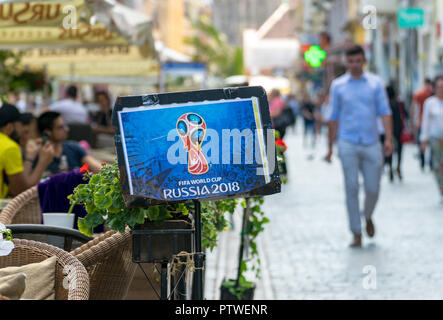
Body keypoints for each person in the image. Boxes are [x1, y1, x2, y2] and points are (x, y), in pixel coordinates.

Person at [325, 45, 393, 248]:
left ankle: (368, 215)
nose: (354, 65)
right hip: (347, 142)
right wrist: (330, 147)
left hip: (371, 141)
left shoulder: (375, 84)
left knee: (373, 188)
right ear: (346, 62)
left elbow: (385, 111)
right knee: (351, 187)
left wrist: (388, 139)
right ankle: (356, 231)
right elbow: (333, 117)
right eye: (351, 61)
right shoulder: (338, 86)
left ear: (364, 61)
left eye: (358, 61)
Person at [0, 104, 55, 198]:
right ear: (9, 127)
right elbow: (21, 192)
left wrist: (30, 156)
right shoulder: (10, 147)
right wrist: (43, 162)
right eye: (19, 125)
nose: (21, 130)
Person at [36, 111, 102, 175]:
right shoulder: (38, 155)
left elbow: (97, 168)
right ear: (47, 132)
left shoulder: (73, 147)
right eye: (60, 127)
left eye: (65, 125)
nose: (67, 129)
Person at [420, 75, 443, 201]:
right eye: (439, 87)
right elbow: (426, 122)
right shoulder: (429, 103)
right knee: (438, 164)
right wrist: (423, 140)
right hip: (435, 138)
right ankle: (441, 187)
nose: (441, 89)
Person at [385, 84, 406, 182]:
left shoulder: (385, 104)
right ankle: (398, 166)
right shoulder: (399, 103)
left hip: (388, 131)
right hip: (398, 130)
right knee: (399, 150)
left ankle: (390, 169)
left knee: (389, 150)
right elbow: (405, 114)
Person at [411, 78, 433, 170]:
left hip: (421, 122)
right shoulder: (433, 94)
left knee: (421, 143)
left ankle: (423, 162)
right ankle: (431, 162)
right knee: (431, 144)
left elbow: (414, 108)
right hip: (430, 123)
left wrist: (413, 121)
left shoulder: (418, 94)